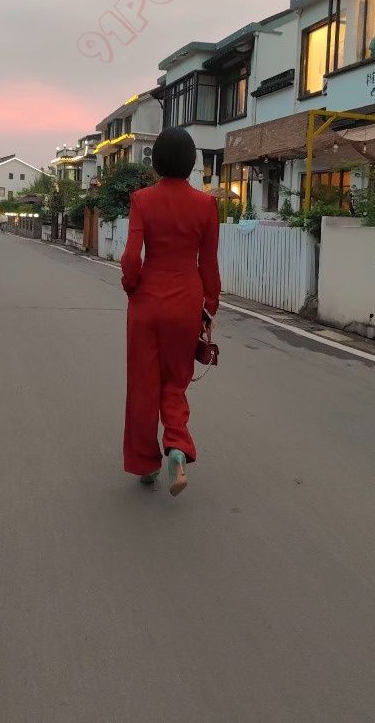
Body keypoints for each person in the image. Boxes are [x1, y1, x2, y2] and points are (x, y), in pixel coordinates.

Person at [121, 126, 221, 497]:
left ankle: (145, 463)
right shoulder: (206, 205)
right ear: (192, 162)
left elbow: (131, 257)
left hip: (147, 302)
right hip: (185, 303)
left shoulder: (142, 200)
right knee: (176, 381)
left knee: (143, 384)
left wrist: (132, 286)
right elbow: (209, 265)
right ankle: (177, 446)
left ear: (157, 162)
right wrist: (209, 305)